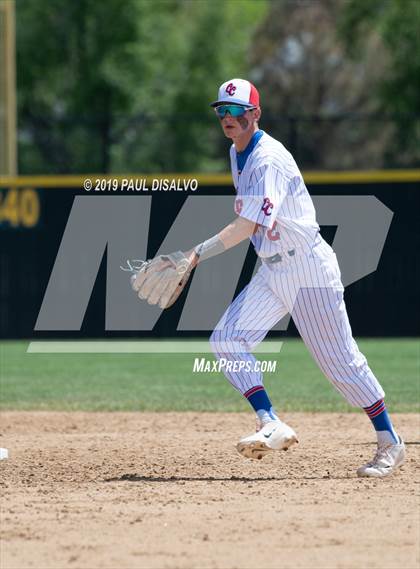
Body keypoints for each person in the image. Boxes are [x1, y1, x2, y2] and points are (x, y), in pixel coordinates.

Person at [136, 78, 405, 478]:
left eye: (235, 111)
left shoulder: (267, 158)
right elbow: (255, 226)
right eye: (221, 111)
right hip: (274, 268)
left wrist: (195, 254)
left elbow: (247, 225)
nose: (228, 118)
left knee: (341, 366)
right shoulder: (236, 152)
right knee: (226, 340)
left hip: (308, 269)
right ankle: (269, 421)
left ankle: (389, 442)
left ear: (254, 114)